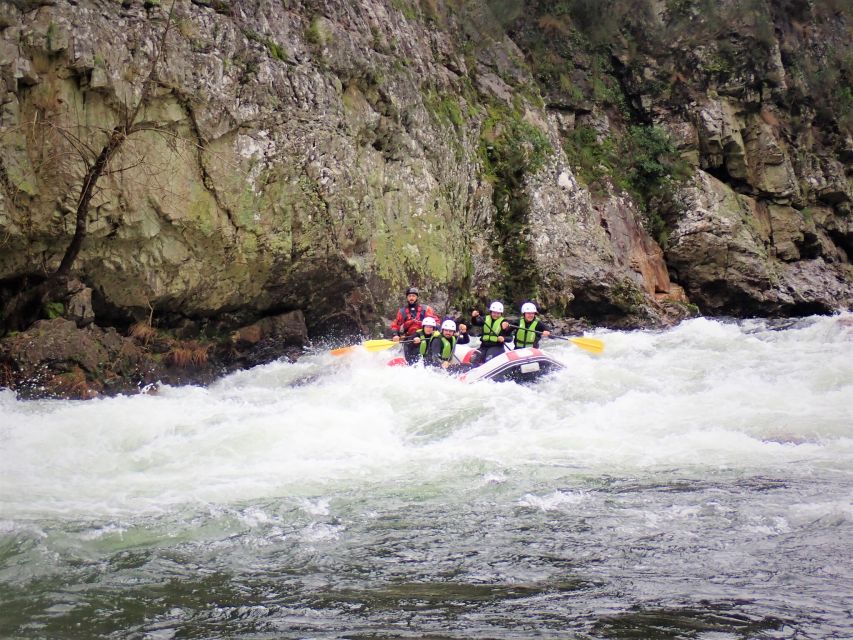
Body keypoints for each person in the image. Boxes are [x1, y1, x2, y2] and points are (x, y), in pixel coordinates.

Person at [390, 287, 440, 364]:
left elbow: (436, 322)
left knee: (428, 358)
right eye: (409, 296)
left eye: (413, 296)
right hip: (409, 338)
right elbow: (395, 325)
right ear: (407, 298)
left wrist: (435, 331)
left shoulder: (426, 309)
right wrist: (395, 335)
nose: (411, 298)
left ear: (417, 297)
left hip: (425, 337)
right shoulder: (402, 311)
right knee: (411, 361)